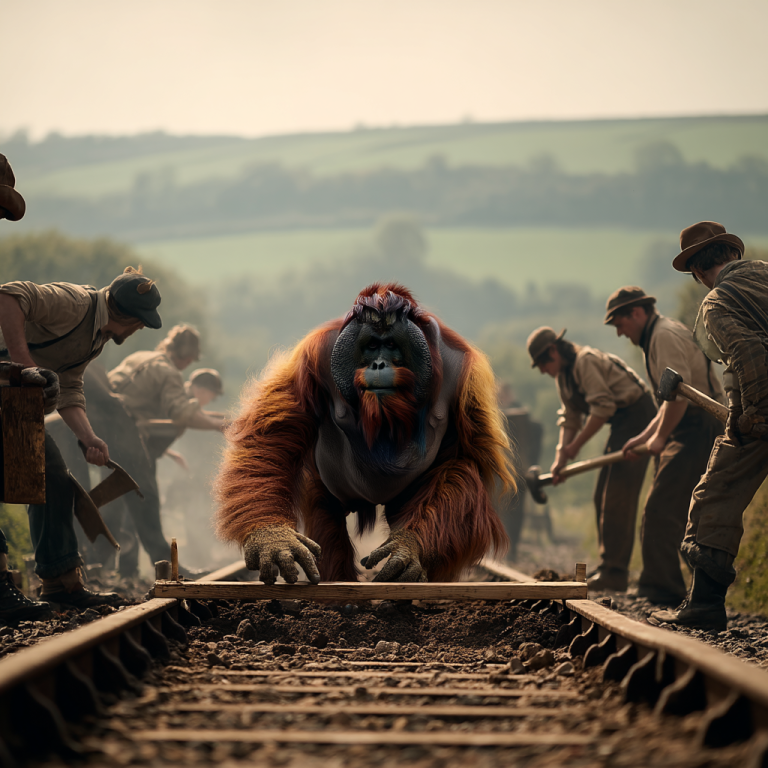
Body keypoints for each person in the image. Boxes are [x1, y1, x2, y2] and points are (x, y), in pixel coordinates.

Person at [0, 159, 163, 611]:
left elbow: (70, 390)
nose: (137, 333)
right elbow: (9, 296)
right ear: (126, 315)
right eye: (140, 324)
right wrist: (23, 365)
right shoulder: (73, 303)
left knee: (51, 476)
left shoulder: (95, 338)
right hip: (7, 382)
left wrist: (89, 438)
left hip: (14, 397)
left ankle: (60, 583)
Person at [651, 221, 765, 630]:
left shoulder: (717, 304)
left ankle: (704, 605)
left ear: (697, 273)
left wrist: (753, 416)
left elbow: (750, 352)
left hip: (759, 412)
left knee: (714, 496)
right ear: (733, 254)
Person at [605, 287, 725, 606]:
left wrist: (660, 439)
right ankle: (695, 593)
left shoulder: (664, 336)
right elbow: (667, 399)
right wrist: (645, 437)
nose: (619, 332)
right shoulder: (657, 335)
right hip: (686, 423)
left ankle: (663, 591)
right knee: (679, 513)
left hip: (698, 425)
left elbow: (681, 395)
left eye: (619, 323)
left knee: (661, 509)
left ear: (637, 313)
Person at [85, 327, 225, 576]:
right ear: (184, 355)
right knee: (145, 497)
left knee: (114, 501)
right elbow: (181, 413)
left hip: (97, 426)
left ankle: (95, 564)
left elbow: (130, 401)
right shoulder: (169, 373)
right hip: (122, 433)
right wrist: (218, 425)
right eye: (191, 358)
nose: (189, 363)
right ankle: (167, 567)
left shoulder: (141, 357)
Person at [527, 327, 656, 592]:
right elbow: (571, 416)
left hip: (639, 418)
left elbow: (603, 407)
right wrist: (561, 456)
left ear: (554, 350)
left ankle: (616, 573)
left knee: (617, 496)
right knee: (602, 495)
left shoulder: (585, 361)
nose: (542, 370)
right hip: (621, 424)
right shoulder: (563, 376)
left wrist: (574, 447)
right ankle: (609, 566)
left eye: (543, 363)